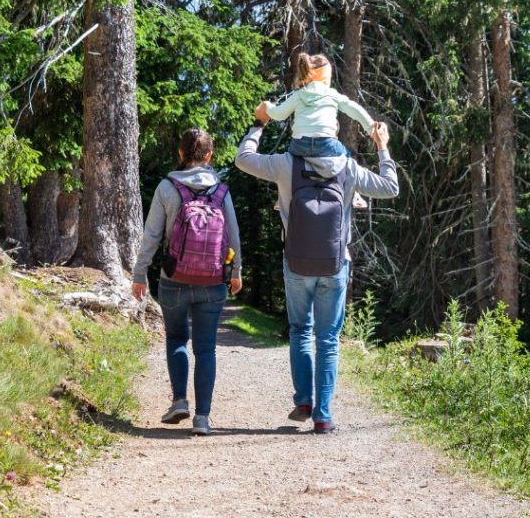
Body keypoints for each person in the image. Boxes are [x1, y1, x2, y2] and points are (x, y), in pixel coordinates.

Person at [234, 107, 399, 434]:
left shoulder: (284, 164)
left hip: (295, 261)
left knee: (300, 330)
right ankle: (323, 416)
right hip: (335, 263)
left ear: (299, 130)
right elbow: (390, 187)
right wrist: (382, 145)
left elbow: (243, 158)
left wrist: (259, 123)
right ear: (334, 133)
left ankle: (303, 401)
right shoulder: (349, 168)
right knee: (328, 338)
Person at [132, 129, 243, 436]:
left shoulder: (168, 188)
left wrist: (140, 273)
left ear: (180, 154)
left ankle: (179, 400)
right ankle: (203, 418)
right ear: (209, 157)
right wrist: (236, 272)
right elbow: (233, 234)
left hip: (173, 278)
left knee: (177, 338)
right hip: (212, 281)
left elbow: (152, 235)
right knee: (206, 350)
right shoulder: (221, 191)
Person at [256, 53, 383, 209]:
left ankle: (283, 196)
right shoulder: (331, 94)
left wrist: (267, 106)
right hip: (326, 143)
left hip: (299, 145)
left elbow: (279, 114)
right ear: (325, 77)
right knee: (347, 158)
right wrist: (371, 127)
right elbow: (354, 109)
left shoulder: (299, 95)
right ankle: (355, 194)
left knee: (288, 164)